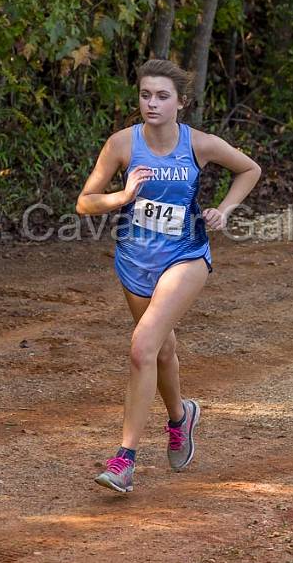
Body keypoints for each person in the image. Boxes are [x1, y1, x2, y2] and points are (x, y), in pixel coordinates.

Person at [76, 59, 261, 492]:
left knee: (142, 346)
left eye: (162, 96)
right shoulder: (122, 144)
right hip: (133, 260)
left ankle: (124, 460)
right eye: (145, 95)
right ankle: (181, 417)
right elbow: (85, 203)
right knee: (161, 350)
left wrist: (225, 209)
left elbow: (249, 169)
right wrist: (122, 195)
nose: (152, 104)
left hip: (186, 255)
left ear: (181, 102)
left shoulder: (200, 144)